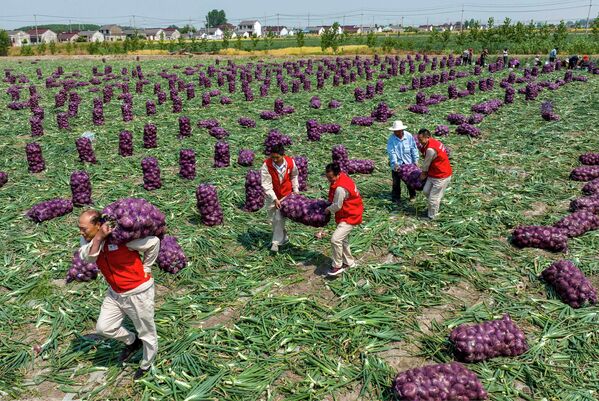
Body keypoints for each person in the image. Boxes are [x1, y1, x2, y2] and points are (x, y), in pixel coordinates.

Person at [78, 210, 160, 380]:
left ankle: (147, 364)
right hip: (115, 293)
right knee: (104, 327)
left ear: (98, 225)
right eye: (80, 228)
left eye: (84, 229)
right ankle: (131, 341)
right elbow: (89, 258)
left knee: (147, 332)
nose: (81, 232)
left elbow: (153, 242)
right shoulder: (89, 240)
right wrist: (98, 238)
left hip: (138, 292)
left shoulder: (122, 238)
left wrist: (147, 267)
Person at [324, 163, 364, 277]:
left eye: (331, 178)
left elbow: (337, 206)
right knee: (343, 239)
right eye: (327, 177)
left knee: (335, 239)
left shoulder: (340, 189)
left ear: (337, 174)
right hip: (349, 212)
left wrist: (327, 209)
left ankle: (337, 265)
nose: (329, 180)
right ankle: (349, 262)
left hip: (350, 215)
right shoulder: (343, 177)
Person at [260, 144, 299, 252]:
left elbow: (294, 175)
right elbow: (266, 185)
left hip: (286, 195)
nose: (275, 160)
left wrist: (296, 190)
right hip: (272, 195)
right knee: (273, 219)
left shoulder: (290, 162)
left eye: (277, 157)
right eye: (273, 157)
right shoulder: (266, 165)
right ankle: (284, 238)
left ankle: (275, 243)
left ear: (283, 155)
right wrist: (274, 199)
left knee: (278, 218)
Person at [416, 129, 453, 219]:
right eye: (418, 139)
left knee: (433, 198)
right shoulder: (432, 142)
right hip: (433, 173)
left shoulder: (430, 149)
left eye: (421, 139)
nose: (419, 141)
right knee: (426, 191)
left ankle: (432, 217)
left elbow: (426, 164)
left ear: (427, 137)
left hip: (441, 175)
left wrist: (422, 175)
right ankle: (434, 206)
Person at [386, 120, 419, 204]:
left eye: (398, 131)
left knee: (410, 180)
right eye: (395, 131)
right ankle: (396, 198)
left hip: (409, 163)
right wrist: (395, 163)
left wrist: (416, 160)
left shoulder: (408, 136)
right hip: (397, 164)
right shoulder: (391, 139)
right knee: (396, 182)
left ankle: (412, 196)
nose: (397, 132)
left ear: (402, 130)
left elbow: (413, 148)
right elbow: (392, 152)